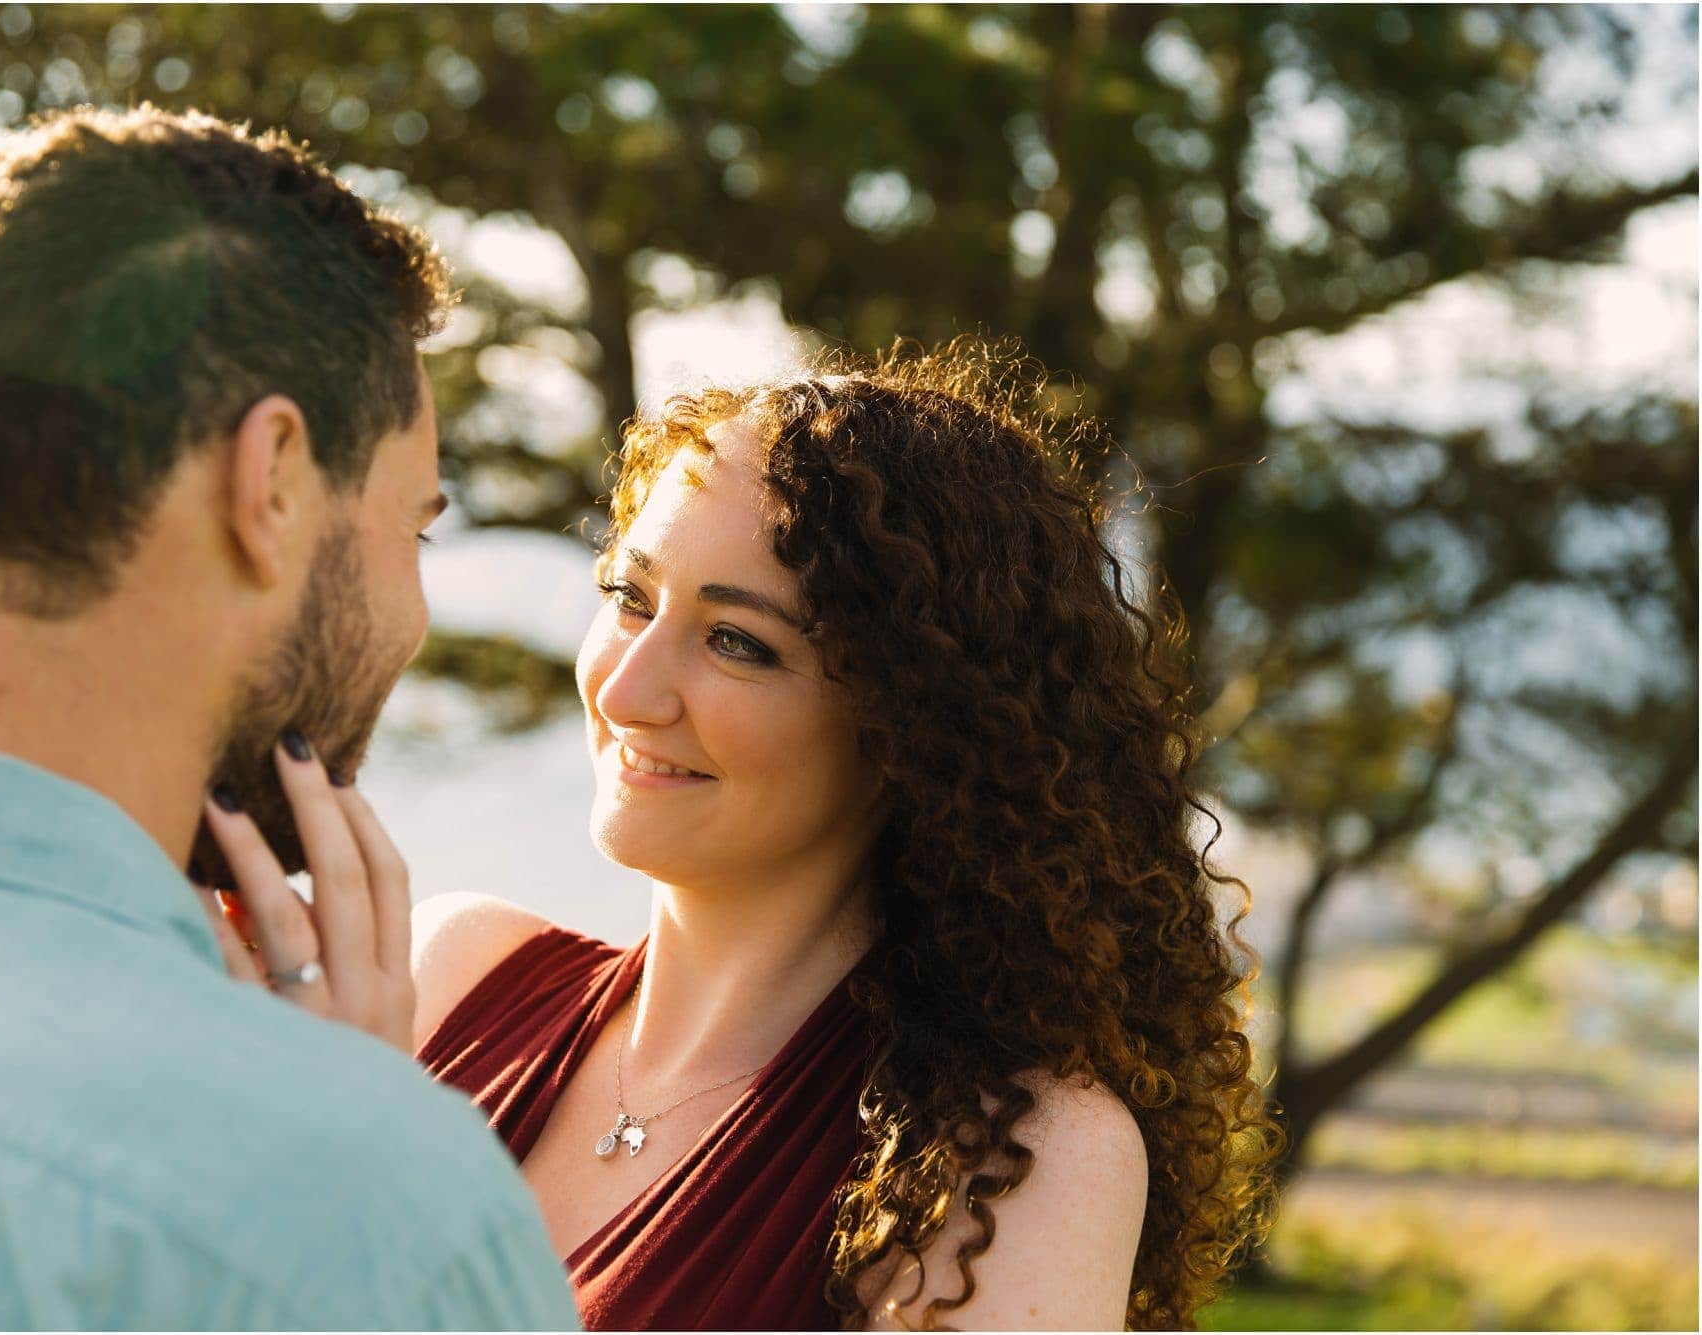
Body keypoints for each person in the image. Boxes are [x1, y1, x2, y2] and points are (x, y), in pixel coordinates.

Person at [0, 105, 577, 1331]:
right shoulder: (378, 1214)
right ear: (270, 479)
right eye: (413, 528)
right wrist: (347, 1160)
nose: (417, 608)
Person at [218, 342, 1284, 1329]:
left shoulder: (1010, 1157)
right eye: (628, 598)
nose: (626, 692)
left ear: (912, 723)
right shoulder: (448, 974)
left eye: (736, 642)